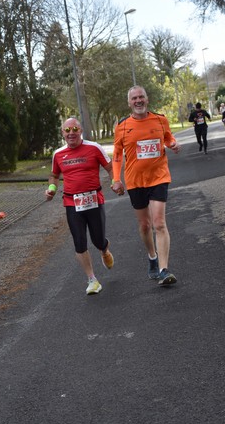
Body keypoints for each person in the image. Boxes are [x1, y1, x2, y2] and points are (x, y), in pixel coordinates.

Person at [111, 85, 181, 286]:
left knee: (159, 223)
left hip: (159, 177)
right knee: (145, 225)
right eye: (134, 98)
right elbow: (116, 155)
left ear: (147, 99)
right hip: (135, 181)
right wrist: (116, 179)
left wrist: (173, 144)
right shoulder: (123, 126)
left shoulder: (160, 119)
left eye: (141, 97)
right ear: (129, 103)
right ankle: (152, 256)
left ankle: (163, 269)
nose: (138, 101)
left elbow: (168, 137)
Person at [45, 118, 115, 296]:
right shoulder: (58, 154)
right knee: (79, 242)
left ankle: (104, 249)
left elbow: (110, 167)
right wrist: (52, 189)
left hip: (94, 200)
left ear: (81, 130)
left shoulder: (94, 148)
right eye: (67, 130)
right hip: (71, 203)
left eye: (74, 129)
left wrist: (116, 181)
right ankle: (92, 280)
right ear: (63, 133)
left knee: (98, 239)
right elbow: (54, 175)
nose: (71, 133)